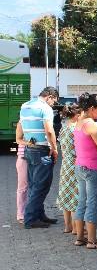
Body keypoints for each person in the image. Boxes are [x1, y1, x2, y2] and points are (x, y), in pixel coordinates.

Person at [73, 93, 97, 249]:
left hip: (80, 166)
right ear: (91, 108)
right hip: (93, 168)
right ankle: (92, 241)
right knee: (93, 203)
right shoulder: (93, 126)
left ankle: (80, 238)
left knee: (81, 202)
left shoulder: (78, 123)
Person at [19, 86, 59, 229]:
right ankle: (30, 219)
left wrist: (25, 139)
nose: (53, 104)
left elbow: (20, 125)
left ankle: (39, 214)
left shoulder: (25, 105)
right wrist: (54, 148)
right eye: (54, 101)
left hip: (30, 149)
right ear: (50, 97)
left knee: (34, 185)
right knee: (42, 185)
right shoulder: (45, 108)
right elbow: (49, 130)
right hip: (42, 150)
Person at [56, 104, 81, 234]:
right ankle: (76, 229)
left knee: (65, 194)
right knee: (75, 196)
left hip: (65, 165)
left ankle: (67, 226)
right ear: (77, 115)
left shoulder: (63, 129)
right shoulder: (76, 130)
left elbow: (61, 147)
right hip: (75, 164)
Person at [14, 123, 29, 225]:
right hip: (23, 158)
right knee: (23, 188)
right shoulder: (22, 123)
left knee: (36, 187)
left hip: (35, 157)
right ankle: (21, 214)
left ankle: (36, 212)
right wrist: (30, 143)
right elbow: (18, 139)